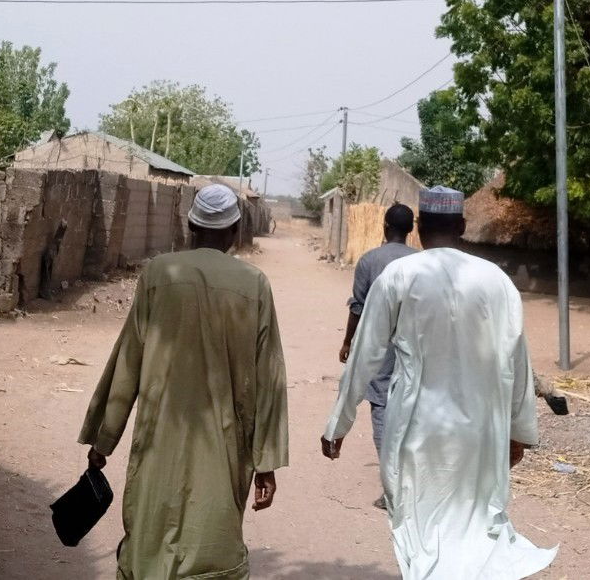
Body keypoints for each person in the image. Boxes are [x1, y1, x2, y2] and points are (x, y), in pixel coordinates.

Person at [322, 186, 556, 579]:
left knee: (419, 528)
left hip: (417, 427)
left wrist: (338, 424)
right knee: (475, 527)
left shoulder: (399, 275)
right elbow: (518, 362)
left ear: (420, 227)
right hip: (481, 430)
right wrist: (518, 433)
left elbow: (365, 354)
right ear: (463, 226)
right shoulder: (496, 280)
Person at [78, 184, 289, 579]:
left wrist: (103, 440)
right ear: (235, 230)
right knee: (213, 541)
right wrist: (266, 463)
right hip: (225, 444)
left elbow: (128, 361)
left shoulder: (159, 274)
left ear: (191, 225)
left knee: (148, 543)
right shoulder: (254, 285)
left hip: (160, 439)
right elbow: (269, 377)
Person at [338, 203, 417, 507]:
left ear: (384, 227)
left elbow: (357, 308)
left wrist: (347, 342)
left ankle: (393, 490)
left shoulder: (370, 260)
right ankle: (411, 485)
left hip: (381, 346)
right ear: (412, 230)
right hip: (414, 345)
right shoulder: (423, 262)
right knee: (412, 410)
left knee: (382, 408)